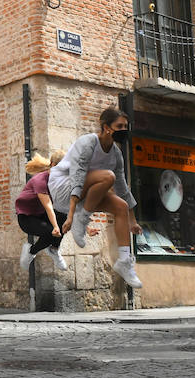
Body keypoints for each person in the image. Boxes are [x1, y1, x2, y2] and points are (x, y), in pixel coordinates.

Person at [47, 108, 142, 289]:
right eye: (119, 126)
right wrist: (72, 215)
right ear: (106, 127)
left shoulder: (116, 154)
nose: (124, 130)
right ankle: (81, 219)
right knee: (108, 176)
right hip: (63, 188)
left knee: (121, 206)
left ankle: (124, 261)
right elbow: (78, 175)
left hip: (88, 192)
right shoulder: (88, 142)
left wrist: (133, 221)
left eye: (126, 126)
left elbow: (122, 188)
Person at [15, 153, 68, 272]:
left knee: (64, 214)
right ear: (54, 165)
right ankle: (30, 251)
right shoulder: (40, 180)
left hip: (41, 215)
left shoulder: (60, 183)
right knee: (50, 233)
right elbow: (48, 206)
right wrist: (55, 227)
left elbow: (69, 205)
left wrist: (86, 229)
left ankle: (54, 249)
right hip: (27, 218)